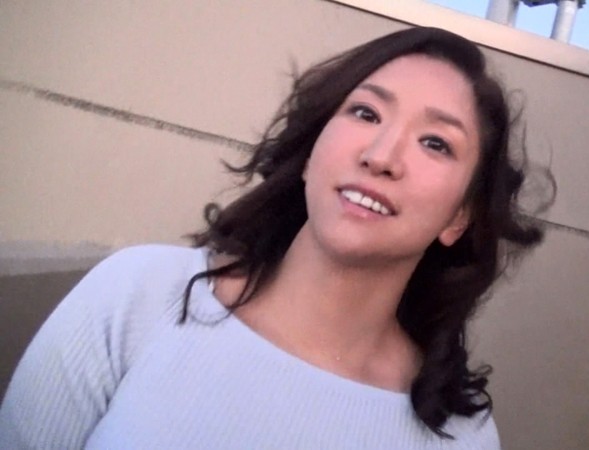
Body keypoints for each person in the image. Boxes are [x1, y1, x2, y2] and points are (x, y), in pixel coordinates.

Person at [0, 27, 549, 449]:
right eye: (365, 112)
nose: (381, 156)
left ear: (460, 216)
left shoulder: (460, 434)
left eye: (435, 143)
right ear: (311, 155)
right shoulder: (137, 294)